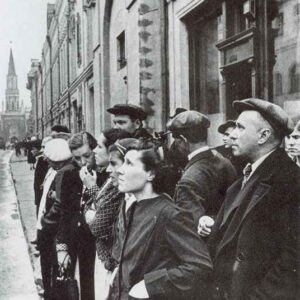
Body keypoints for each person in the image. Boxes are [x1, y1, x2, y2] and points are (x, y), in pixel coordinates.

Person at [203, 98, 299, 299]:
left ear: (263, 136)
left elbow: (293, 260)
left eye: (239, 127)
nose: (233, 135)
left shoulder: (289, 180)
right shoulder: (248, 173)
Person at [108, 140, 213, 300]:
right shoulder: (134, 207)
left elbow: (199, 266)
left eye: (129, 164)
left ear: (150, 174)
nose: (120, 171)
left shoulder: (170, 213)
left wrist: (150, 285)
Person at [167, 110, 237, 227]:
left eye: (176, 140)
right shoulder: (224, 161)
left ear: (184, 140)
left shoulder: (189, 179)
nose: (175, 145)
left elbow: (188, 228)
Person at [36, 138, 73, 300]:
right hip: (46, 225)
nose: (46, 161)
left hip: (52, 230)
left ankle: (51, 294)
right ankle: (48, 291)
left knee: (52, 268)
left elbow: (59, 205)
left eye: (49, 159)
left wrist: (45, 222)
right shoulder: (55, 170)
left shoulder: (63, 172)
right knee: (47, 265)